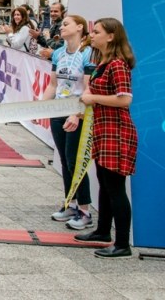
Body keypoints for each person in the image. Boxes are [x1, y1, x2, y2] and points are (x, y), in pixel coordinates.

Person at [75, 18, 138, 258]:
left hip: (116, 132)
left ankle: (122, 243)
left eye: (97, 32)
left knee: (115, 188)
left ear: (111, 36)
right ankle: (103, 231)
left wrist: (94, 98)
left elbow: (124, 99)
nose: (93, 35)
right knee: (104, 183)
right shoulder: (103, 62)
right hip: (104, 130)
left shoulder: (118, 65)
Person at [41, 14, 94, 231]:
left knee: (75, 161)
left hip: (78, 112)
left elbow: (89, 88)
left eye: (66, 24)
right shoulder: (59, 53)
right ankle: (70, 203)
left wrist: (78, 113)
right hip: (59, 110)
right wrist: (40, 107)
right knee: (63, 159)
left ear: (79, 27)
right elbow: (53, 85)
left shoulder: (87, 53)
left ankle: (85, 210)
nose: (61, 27)